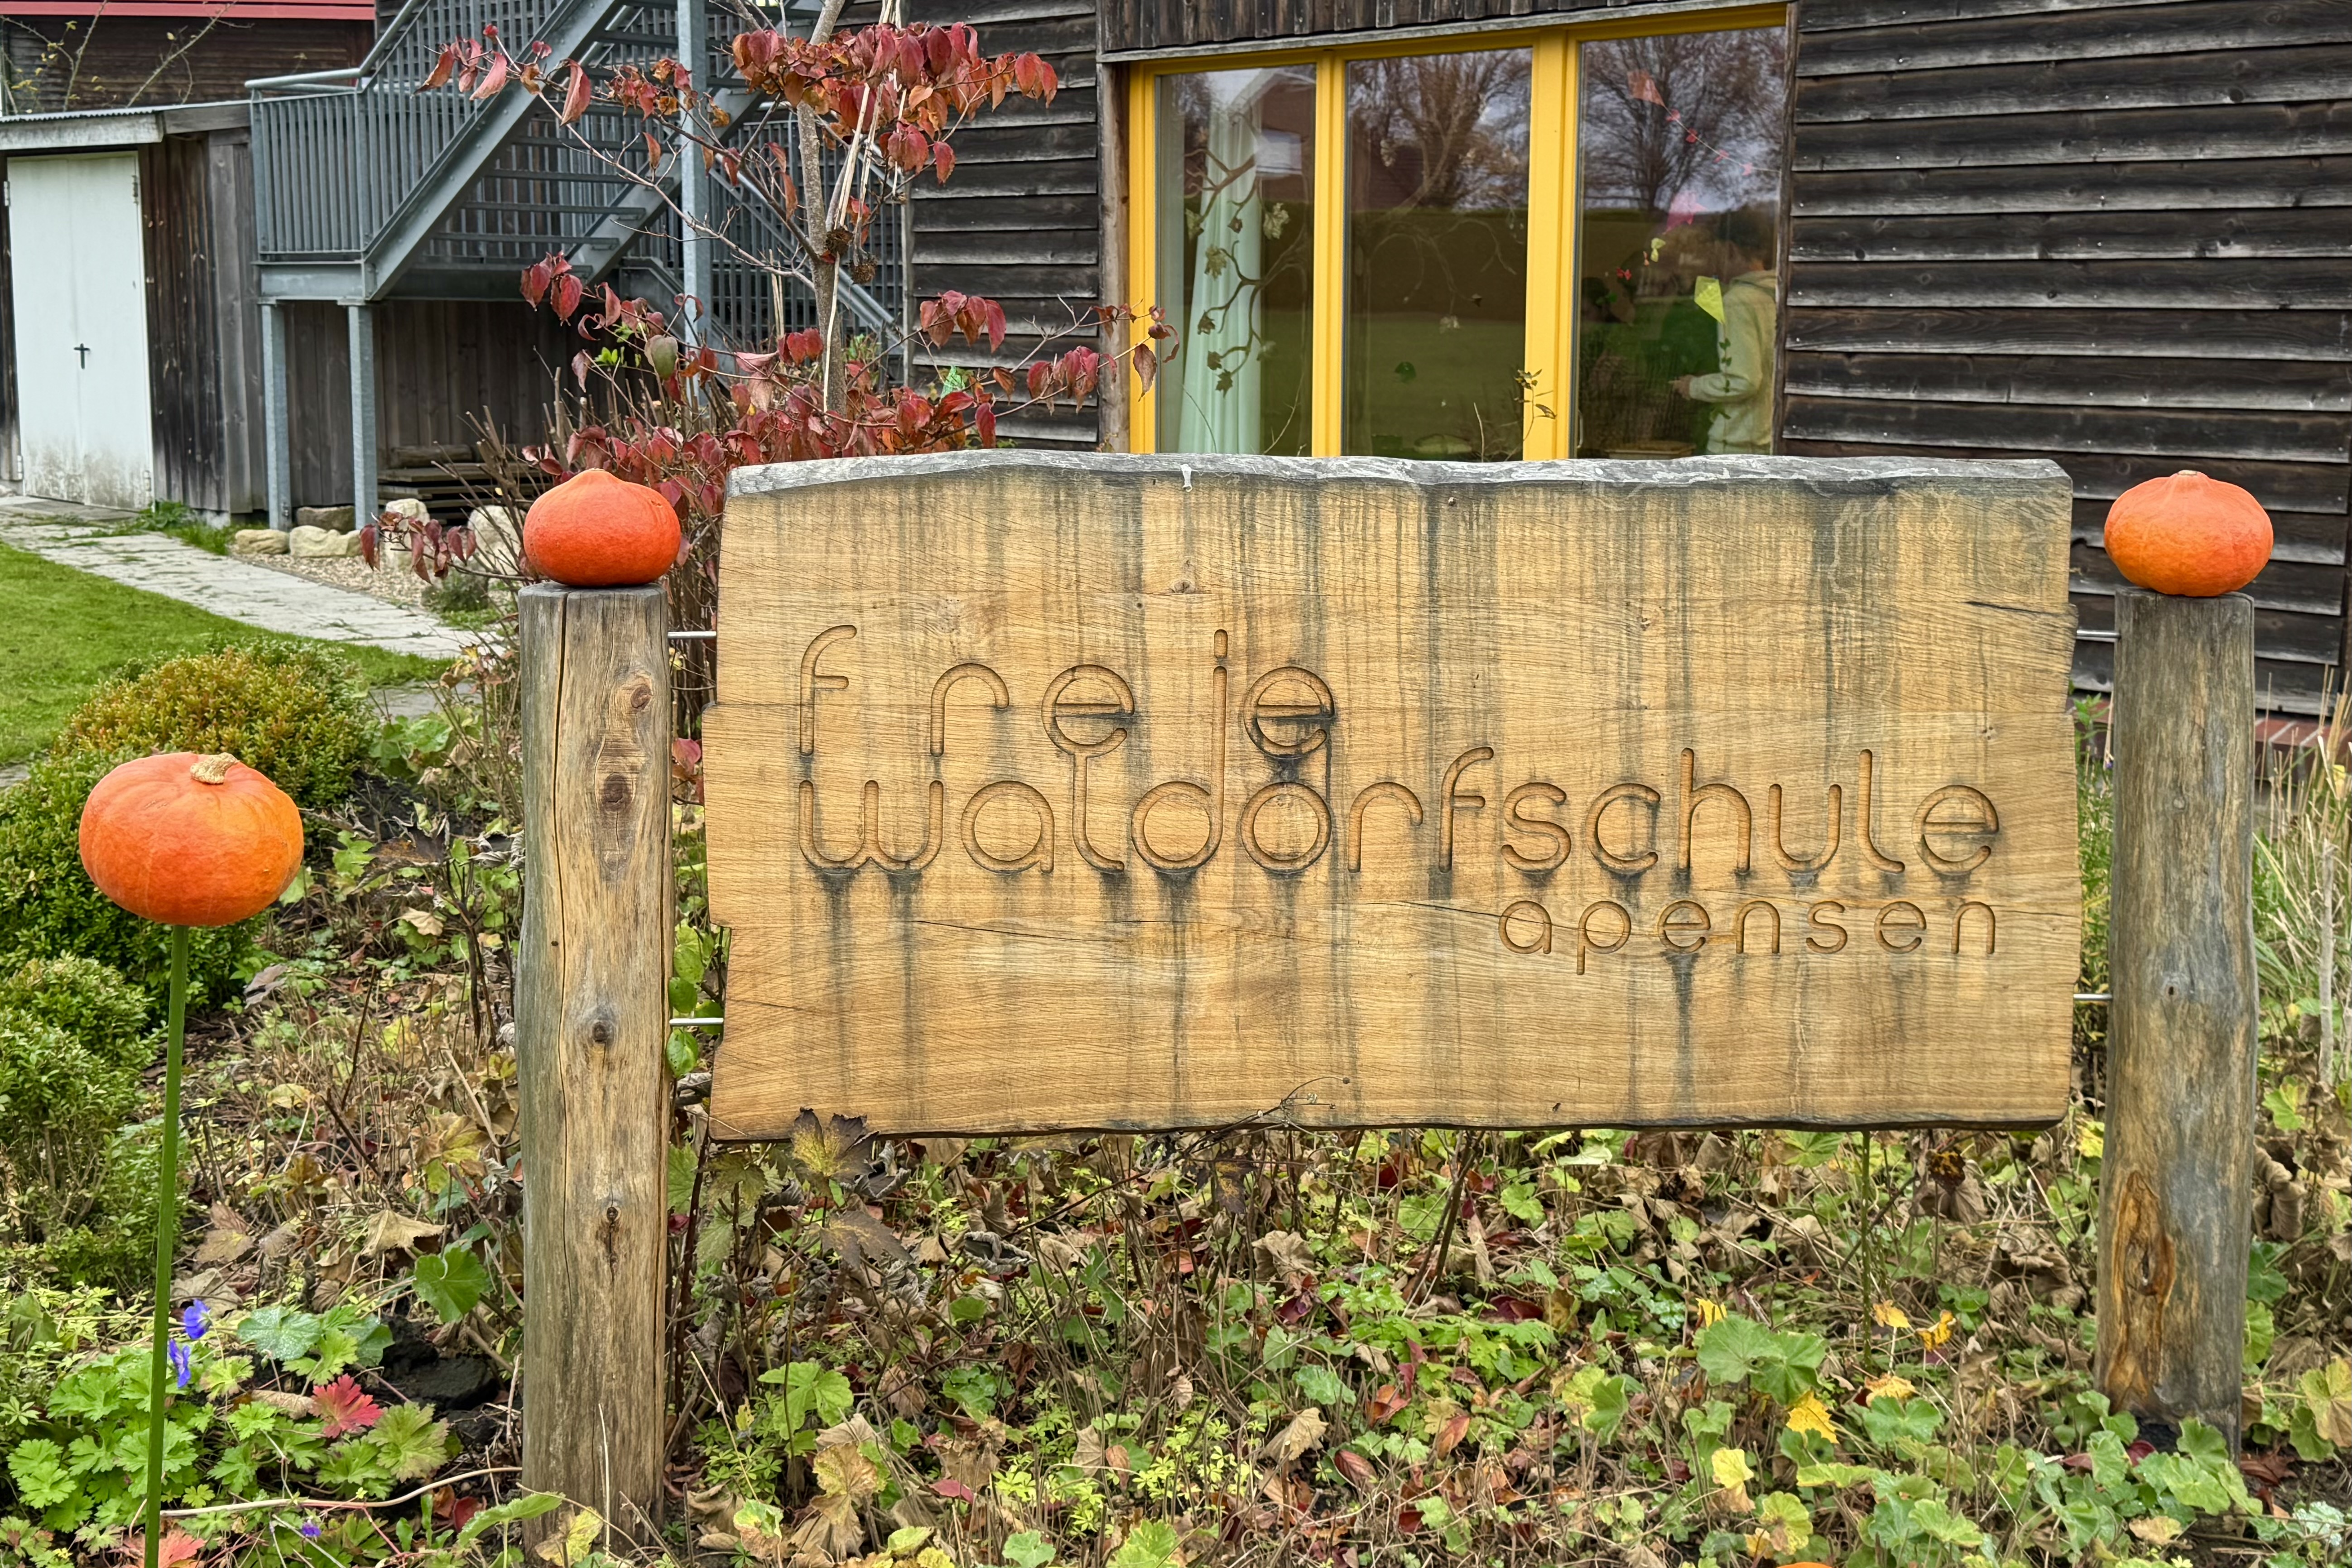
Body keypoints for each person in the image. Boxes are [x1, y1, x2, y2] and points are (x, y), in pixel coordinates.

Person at [1671, 212, 1779, 455]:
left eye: (1715, 252)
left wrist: (1694, 386)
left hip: (1736, 443)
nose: (1713, 262)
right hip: (1765, 438)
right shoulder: (1776, 296)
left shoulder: (1738, 301)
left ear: (1730, 249)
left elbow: (1743, 381)